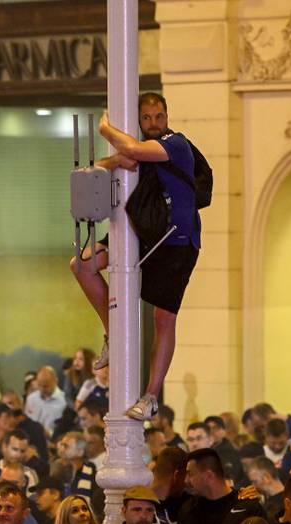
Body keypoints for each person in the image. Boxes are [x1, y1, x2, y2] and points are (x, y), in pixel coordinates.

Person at [76, 93, 200, 422]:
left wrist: (105, 128)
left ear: (166, 116)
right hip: (139, 233)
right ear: (139, 120)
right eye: (148, 118)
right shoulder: (137, 147)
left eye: (159, 116)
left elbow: (131, 150)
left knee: (163, 318)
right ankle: (111, 334)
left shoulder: (175, 144)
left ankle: (150, 396)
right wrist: (115, 161)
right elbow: (97, 169)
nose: (155, 123)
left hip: (176, 238)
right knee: (82, 264)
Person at [151, 447, 190, 524]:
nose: (187, 481)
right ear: (176, 475)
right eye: (186, 475)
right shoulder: (188, 504)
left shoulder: (138, 504)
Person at [25, 367, 67, 435]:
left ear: (56, 381)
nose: (41, 389)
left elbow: (65, 431)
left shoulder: (64, 402)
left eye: (45, 386)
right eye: (39, 385)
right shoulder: (31, 399)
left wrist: (49, 433)